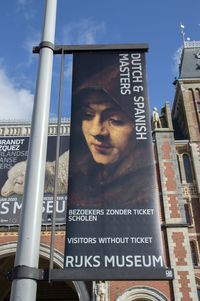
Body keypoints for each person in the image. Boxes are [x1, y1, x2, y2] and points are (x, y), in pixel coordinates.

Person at [67, 54, 155, 207]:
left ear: (138, 126)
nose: (96, 131)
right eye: (87, 115)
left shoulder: (144, 191)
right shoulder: (79, 181)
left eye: (114, 120)